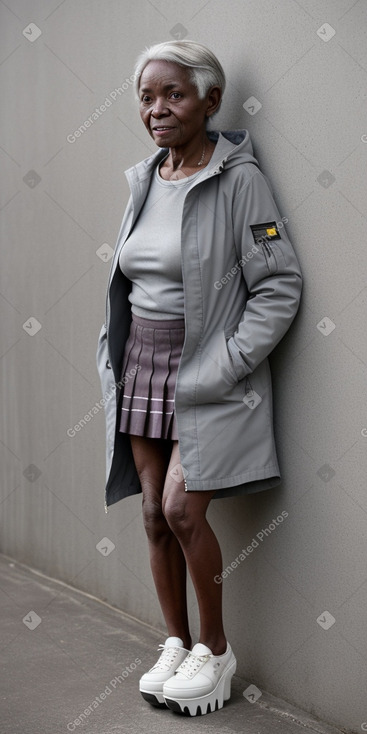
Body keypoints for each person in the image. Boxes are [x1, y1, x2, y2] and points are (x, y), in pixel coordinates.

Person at [96, 39, 302, 717]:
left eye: (174, 94)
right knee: (155, 515)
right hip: (142, 364)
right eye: (147, 96)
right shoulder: (144, 178)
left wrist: (225, 365)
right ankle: (176, 643)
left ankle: (214, 654)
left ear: (211, 101)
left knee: (186, 509)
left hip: (205, 369)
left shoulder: (239, 180)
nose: (157, 109)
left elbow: (278, 285)